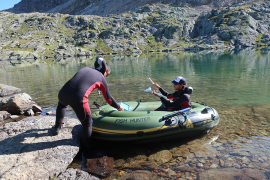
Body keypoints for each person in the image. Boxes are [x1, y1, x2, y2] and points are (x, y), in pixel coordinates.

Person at [52, 57, 124, 156]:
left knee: (62, 105)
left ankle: (57, 127)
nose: (106, 77)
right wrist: (119, 107)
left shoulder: (85, 69)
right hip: (78, 98)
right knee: (87, 124)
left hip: (63, 92)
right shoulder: (101, 78)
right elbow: (109, 99)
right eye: (108, 74)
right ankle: (86, 149)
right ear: (106, 71)